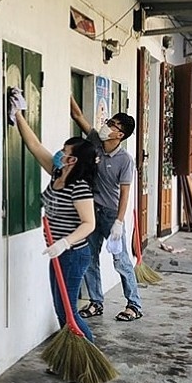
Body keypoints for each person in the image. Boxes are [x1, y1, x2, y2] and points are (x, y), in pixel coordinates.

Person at [9, 88, 96, 342]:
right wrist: (18, 114)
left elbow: (89, 223)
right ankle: (68, 361)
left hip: (73, 254)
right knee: (61, 311)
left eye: (65, 152)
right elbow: (34, 146)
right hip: (58, 252)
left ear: (74, 161)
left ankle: (88, 360)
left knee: (69, 312)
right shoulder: (57, 173)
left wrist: (64, 242)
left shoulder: (79, 186)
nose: (60, 153)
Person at [69, 96, 143, 322]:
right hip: (92, 213)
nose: (107, 125)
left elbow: (125, 193)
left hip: (112, 216)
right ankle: (96, 302)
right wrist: (68, 94)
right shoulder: (95, 143)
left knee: (120, 260)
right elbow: (78, 116)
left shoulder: (125, 160)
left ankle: (134, 305)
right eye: (109, 120)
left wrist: (119, 222)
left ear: (120, 134)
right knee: (90, 258)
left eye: (112, 124)